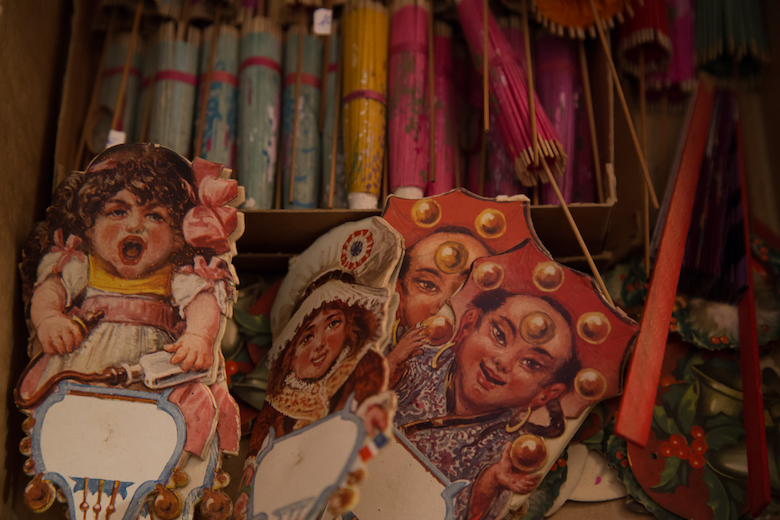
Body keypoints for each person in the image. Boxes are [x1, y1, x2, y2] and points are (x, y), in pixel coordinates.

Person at [18, 144, 240, 461]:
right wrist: (50, 318)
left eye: (155, 216)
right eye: (117, 211)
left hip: (147, 369)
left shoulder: (175, 276)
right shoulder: (82, 266)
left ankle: (148, 463)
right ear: (90, 226)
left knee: (156, 418)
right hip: (86, 360)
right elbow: (50, 290)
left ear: (178, 236)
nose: (135, 225)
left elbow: (202, 300)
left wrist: (198, 335)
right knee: (78, 416)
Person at [391, 287, 581, 519]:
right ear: (468, 324)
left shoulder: (503, 452)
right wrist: (391, 364)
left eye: (531, 363)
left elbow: (464, 514)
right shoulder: (415, 361)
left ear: (545, 394)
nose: (503, 361)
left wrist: (491, 482)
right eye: (500, 335)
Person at [249, 298, 389, 452]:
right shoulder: (281, 397)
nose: (319, 344)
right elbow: (261, 434)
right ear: (291, 358)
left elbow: (376, 439)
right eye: (307, 338)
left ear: (349, 327)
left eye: (332, 324)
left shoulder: (364, 368)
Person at [387, 227, 492, 385]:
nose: (445, 304)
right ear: (399, 291)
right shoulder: (377, 345)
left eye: (464, 289)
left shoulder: (489, 368)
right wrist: (394, 360)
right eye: (427, 284)